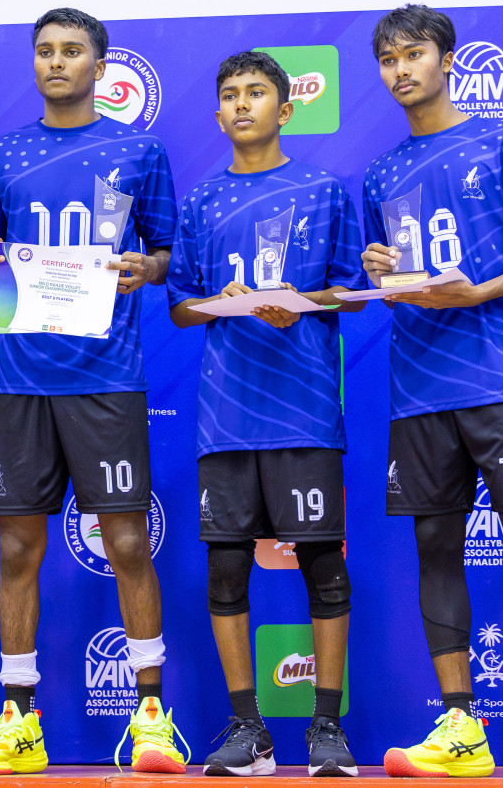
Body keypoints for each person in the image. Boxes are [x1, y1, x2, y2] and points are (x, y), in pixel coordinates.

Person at [361, 5, 503, 778]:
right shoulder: (383, 173)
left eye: (414, 54)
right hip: (418, 383)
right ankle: (461, 729)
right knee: (434, 544)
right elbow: (402, 277)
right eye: (388, 59)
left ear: (447, 59)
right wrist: (381, 274)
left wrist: (482, 291)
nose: (401, 70)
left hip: (501, 374)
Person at [0, 7, 185, 775]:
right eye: (45, 51)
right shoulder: (3, 155)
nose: (56, 63)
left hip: (106, 378)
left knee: (125, 542)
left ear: (100, 65)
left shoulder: (138, 149)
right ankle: (18, 719)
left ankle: (152, 713)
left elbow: (166, 254)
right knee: (18, 546)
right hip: (21, 378)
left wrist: (145, 270)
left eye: (72, 51)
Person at [167, 50, 363, 777]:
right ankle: (247, 729)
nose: (241, 103)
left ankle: (325, 728)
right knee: (225, 572)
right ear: (217, 113)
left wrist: (299, 303)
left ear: (285, 109)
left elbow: (346, 290)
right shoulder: (201, 201)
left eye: (256, 93)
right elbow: (181, 305)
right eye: (229, 94)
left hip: (304, 411)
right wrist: (230, 300)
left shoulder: (322, 190)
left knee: (323, 569)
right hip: (226, 415)